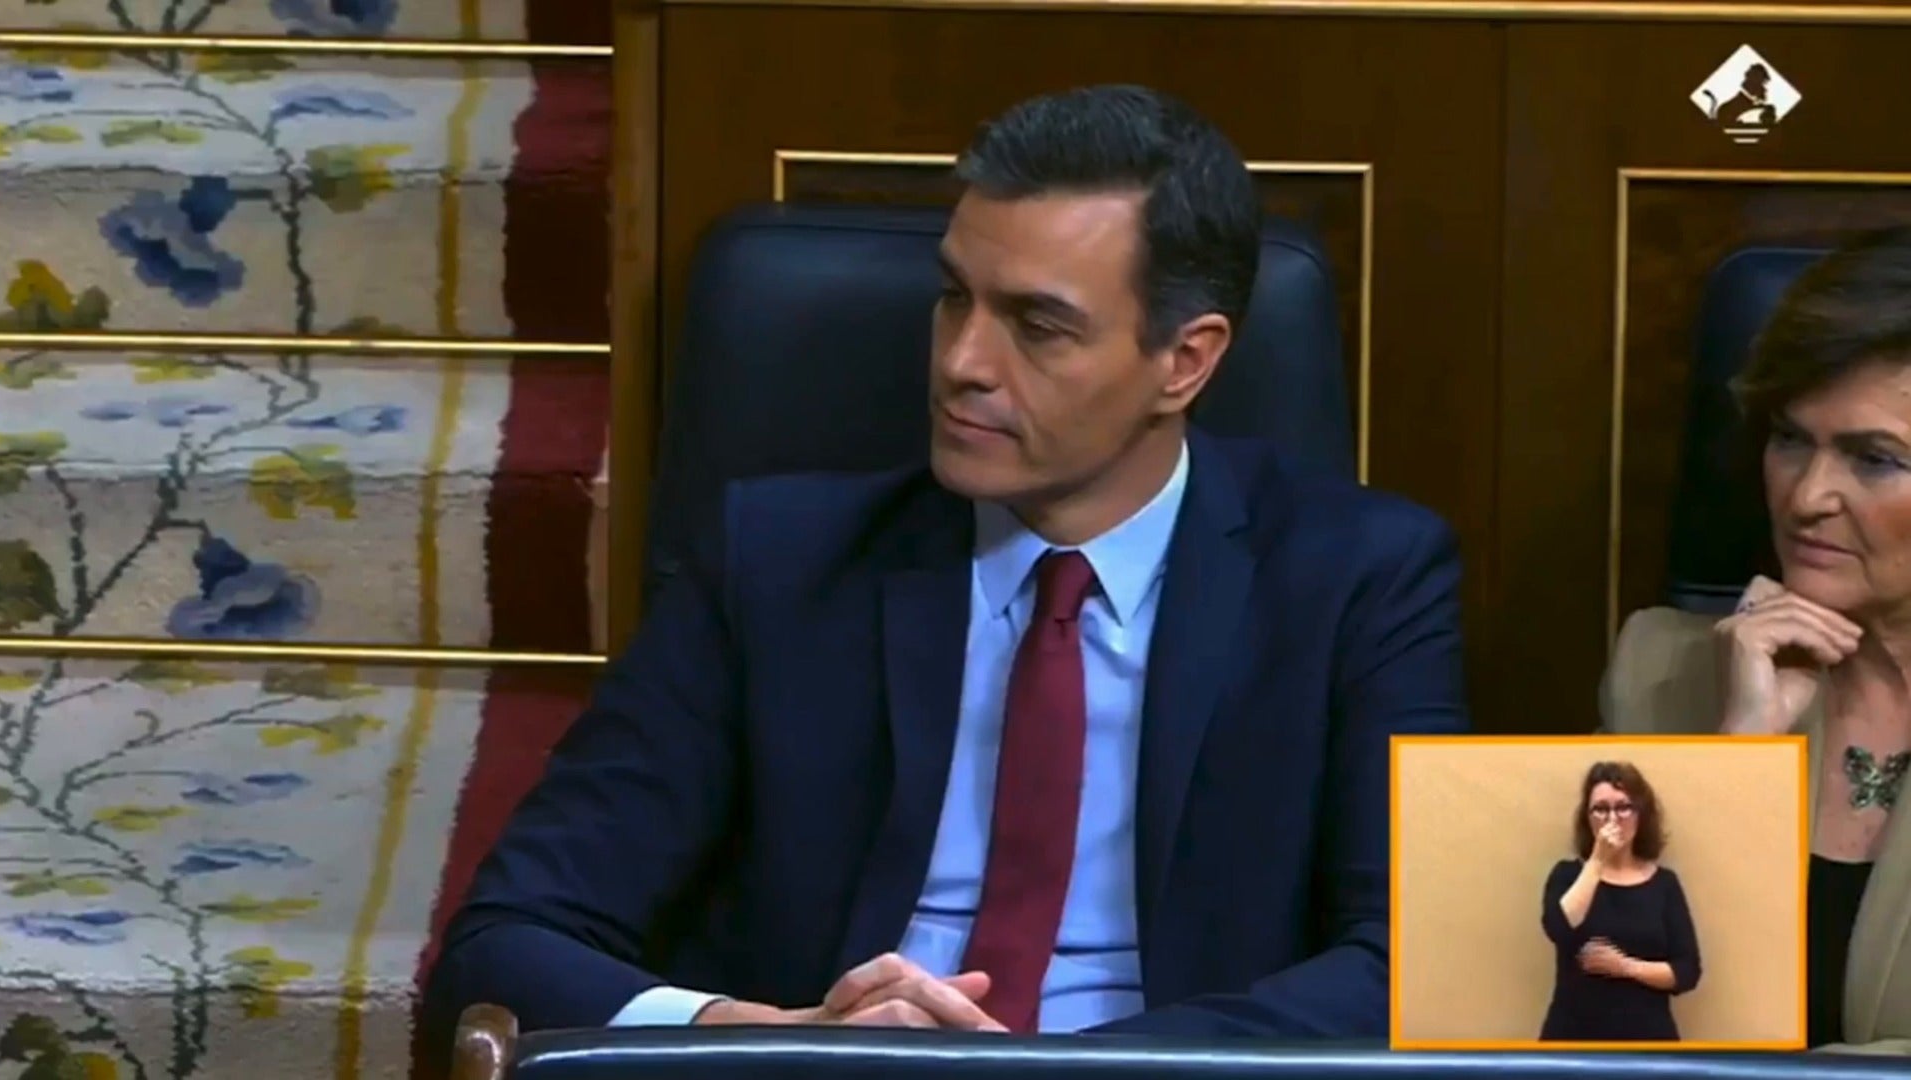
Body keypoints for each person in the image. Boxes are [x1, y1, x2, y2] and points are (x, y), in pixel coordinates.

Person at [421, 83, 1469, 1047]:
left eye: (1037, 326)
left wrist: (1056, 1077)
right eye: (954, 297)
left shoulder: (1360, 581)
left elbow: (1412, 970)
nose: (963, 361)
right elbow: (504, 943)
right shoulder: (775, 566)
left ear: (1184, 361)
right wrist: (772, 1038)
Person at [1602, 228, 1911, 1053]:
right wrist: (1737, 760)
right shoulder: (1660, 679)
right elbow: (1598, 1014)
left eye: (1875, 459)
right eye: (1790, 439)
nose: (1807, 497)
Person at [1538, 762, 1701, 1042]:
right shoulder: (1567, 874)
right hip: (1574, 1041)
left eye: (1624, 807)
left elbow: (1687, 971)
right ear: (1587, 818)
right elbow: (1558, 928)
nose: (1612, 818)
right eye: (1600, 809)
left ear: (1641, 815)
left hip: (1647, 1041)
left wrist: (1625, 966)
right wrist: (1598, 860)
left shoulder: (1664, 884)